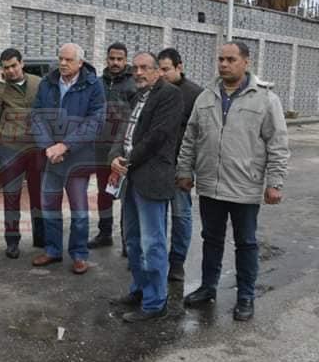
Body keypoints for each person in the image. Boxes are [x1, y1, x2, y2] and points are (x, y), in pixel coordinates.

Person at [178, 41, 289, 321]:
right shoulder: (205, 97)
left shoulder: (265, 99)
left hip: (244, 186)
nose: (224, 64)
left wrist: (274, 182)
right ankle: (208, 288)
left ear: (246, 62)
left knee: (246, 243)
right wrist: (184, 171)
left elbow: (277, 145)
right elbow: (190, 138)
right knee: (211, 239)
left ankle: (245, 297)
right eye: (221, 59)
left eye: (230, 59)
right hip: (210, 185)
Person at [108, 52, 183, 322]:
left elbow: (157, 136)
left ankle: (155, 303)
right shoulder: (137, 96)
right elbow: (123, 133)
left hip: (152, 178)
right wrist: (113, 157)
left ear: (157, 71)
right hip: (130, 179)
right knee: (133, 240)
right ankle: (139, 289)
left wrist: (126, 161)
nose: (138, 72)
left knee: (153, 243)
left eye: (144, 68)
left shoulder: (170, 95)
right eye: (135, 68)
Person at [31, 43, 106, 274]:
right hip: (51, 157)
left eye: (69, 60)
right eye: (60, 58)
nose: (63, 63)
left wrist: (65, 146)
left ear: (80, 63)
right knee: (49, 206)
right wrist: (48, 147)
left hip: (77, 158)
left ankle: (79, 254)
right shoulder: (47, 83)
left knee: (79, 209)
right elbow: (37, 116)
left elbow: (95, 122)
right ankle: (52, 250)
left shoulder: (93, 85)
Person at [0, 48, 45, 259]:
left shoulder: (38, 83)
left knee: (39, 195)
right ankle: (12, 241)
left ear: (22, 63)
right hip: (10, 149)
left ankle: (41, 237)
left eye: (14, 66)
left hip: (36, 148)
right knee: (11, 196)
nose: (10, 71)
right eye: (6, 67)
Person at [157, 48, 203, 282]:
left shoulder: (195, 95)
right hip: (156, 165)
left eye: (166, 69)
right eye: (159, 69)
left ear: (179, 67)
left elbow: (200, 135)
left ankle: (177, 263)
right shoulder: (155, 91)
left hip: (180, 166)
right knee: (157, 216)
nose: (162, 74)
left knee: (180, 215)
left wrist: (189, 167)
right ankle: (155, 260)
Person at [89, 42, 136, 250]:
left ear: (126, 60)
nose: (115, 62)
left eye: (119, 59)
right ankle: (105, 233)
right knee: (104, 193)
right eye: (112, 58)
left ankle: (128, 240)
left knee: (127, 195)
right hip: (101, 148)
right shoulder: (97, 83)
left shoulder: (134, 84)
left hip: (125, 149)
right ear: (106, 59)